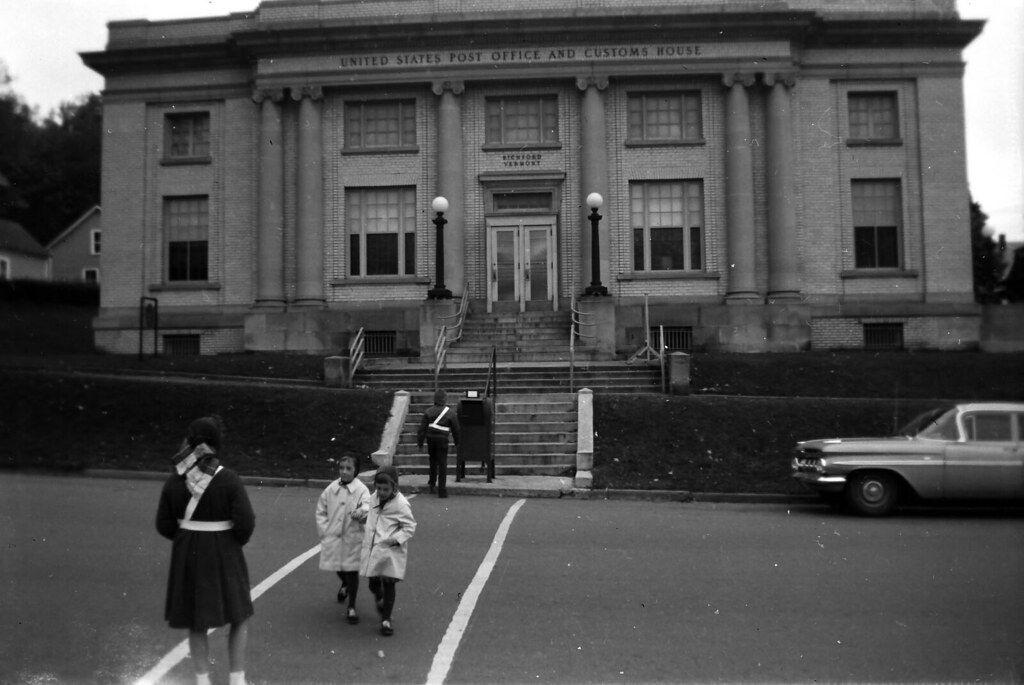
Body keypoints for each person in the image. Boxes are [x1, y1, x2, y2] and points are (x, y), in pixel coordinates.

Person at [156, 416, 255, 685]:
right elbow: (245, 523)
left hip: (188, 553)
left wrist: (187, 537)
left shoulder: (176, 480)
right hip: (225, 551)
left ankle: (202, 680)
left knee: (196, 620)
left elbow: (163, 524)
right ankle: (237, 679)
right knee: (239, 615)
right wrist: (230, 542)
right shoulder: (229, 479)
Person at [359, 465, 416, 636]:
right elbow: (370, 515)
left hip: (391, 550)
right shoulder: (373, 498)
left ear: (394, 487)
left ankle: (386, 619)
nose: (382, 492)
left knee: (389, 583)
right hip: (374, 549)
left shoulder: (401, 504)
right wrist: (361, 516)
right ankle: (379, 596)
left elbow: (410, 527)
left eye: (386, 489)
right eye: (379, 488)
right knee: (373, 583)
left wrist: (395, 539)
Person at [315, 453, 371, 625]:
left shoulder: (361, 489)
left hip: (353, 537)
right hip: (334, 537)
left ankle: (351, 605)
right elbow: (321, 511)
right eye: (341, 468)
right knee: (338, 567)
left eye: (349, 468)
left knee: (352, 570)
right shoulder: (331, 489)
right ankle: (345, 583)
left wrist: (361, 511)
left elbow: (368, 505)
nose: (344, 472)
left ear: (356, 471)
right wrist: (325, 531)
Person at [416, 389, 460, 497]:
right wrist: (457, 443)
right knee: (442, 463)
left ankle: (432, 483)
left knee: (432, 461)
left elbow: (422, 429)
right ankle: (442, 490)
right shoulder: (450, 413)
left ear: (435, 399)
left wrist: (420, 442)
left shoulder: (428, 411)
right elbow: (456, 430)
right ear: (445, 399)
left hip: (430, 438)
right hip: (442, 440)